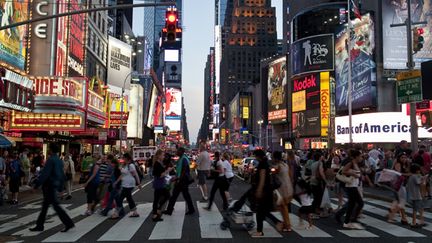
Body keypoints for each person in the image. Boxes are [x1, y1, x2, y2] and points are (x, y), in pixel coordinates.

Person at [30, 144, 75, 233]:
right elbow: (62, 174)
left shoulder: (50, 160)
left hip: (49, 185)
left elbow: (45, 174)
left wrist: (36, 185)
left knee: (55, 206)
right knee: (46, 206)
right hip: (55, 184)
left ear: (50, 150)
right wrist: (61, 188)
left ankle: (68, 223)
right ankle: (40, 225)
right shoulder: (59, 160)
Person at [252, 149, 282, 237]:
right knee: (263, 211)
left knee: (260, 211)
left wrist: (259, 190)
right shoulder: (266, 163)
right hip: (267, 190)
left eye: (255, 156)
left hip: (264, 191)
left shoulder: (262, 164)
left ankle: (260, 231)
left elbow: (262, 178)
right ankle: (276, 222)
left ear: (258, 156)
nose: (255, 158)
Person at [164, 147, 195, 216]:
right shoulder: (181, 158)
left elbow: (183, 171)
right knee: (179, 196)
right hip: (181, 180)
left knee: (181, 196)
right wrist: (176, 178)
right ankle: (170, 210)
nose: (176, 152)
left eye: (178, 151)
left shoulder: (183, 159)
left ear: (181, 151)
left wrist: (177, 179)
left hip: (182, 181)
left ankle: (170, 210)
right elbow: (179, 171)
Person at [113, 153, 141, 219]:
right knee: (128, 198)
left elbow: (135, 174)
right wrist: (116, 182)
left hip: (129, 185)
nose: (123, 159)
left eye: (123, 158)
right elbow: (122, 175)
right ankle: (135, 212)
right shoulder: (126, 165)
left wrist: (139, 183)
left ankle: (117, 213)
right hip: (125, 184)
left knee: (120, 198)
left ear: (126, 158)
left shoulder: (131, 165)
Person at [341, 149, 364, 230]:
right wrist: (352, 173)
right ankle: (353, 220)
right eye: (360, 156)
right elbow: (343, 171)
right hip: (351, 186)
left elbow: (358, 174)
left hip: (353, 186)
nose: (361, 158)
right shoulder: (350, 163)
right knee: (360, 203)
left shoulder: (355, 163)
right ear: (356, 157)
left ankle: (347, 222)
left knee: (351, 205)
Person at [273, 151, 293, 232]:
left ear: (276, 158)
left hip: (282, 189)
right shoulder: (285, 165)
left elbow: (272, 172)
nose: (272, 158)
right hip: (288, 188)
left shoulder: (278, 166)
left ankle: (287, 225)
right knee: (283, 207)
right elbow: (290, 176)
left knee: (283, 207)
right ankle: (286, 224)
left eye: (273, 157)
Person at [388, 152, 410, 224]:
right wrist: (409, 174)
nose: (404, 159)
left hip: (401, 185)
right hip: (399, 186)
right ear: (399, 158)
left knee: (398, 201)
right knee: (402, 202)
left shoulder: (404, 164)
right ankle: (391, 216)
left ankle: (403, 218)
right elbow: (399, 174)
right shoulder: (398, 164)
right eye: (402, 157)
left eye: (405, 157)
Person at [152, 150, 172, 222]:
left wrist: (167, 170)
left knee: (164, 196)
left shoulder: (159, 163)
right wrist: (168, 171)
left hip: (161, 183)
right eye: (162, 155)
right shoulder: (157, 164)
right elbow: (160, 175)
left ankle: (157, 211)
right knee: (158, 198)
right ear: (159, 156)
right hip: (159, 183)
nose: (163, 157)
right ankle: (155, 214)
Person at [407, 163, 426, 228]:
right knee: (417, 209)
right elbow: (419, 183)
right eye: (419, 170)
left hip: (413, 195)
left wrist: (421, 177)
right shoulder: (415, 176)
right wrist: (423, 179)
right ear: (416, 170)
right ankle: (414, 222)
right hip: (416, 195)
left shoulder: (412, 176)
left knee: (417, 209)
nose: (420, 171)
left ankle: (418, 221)